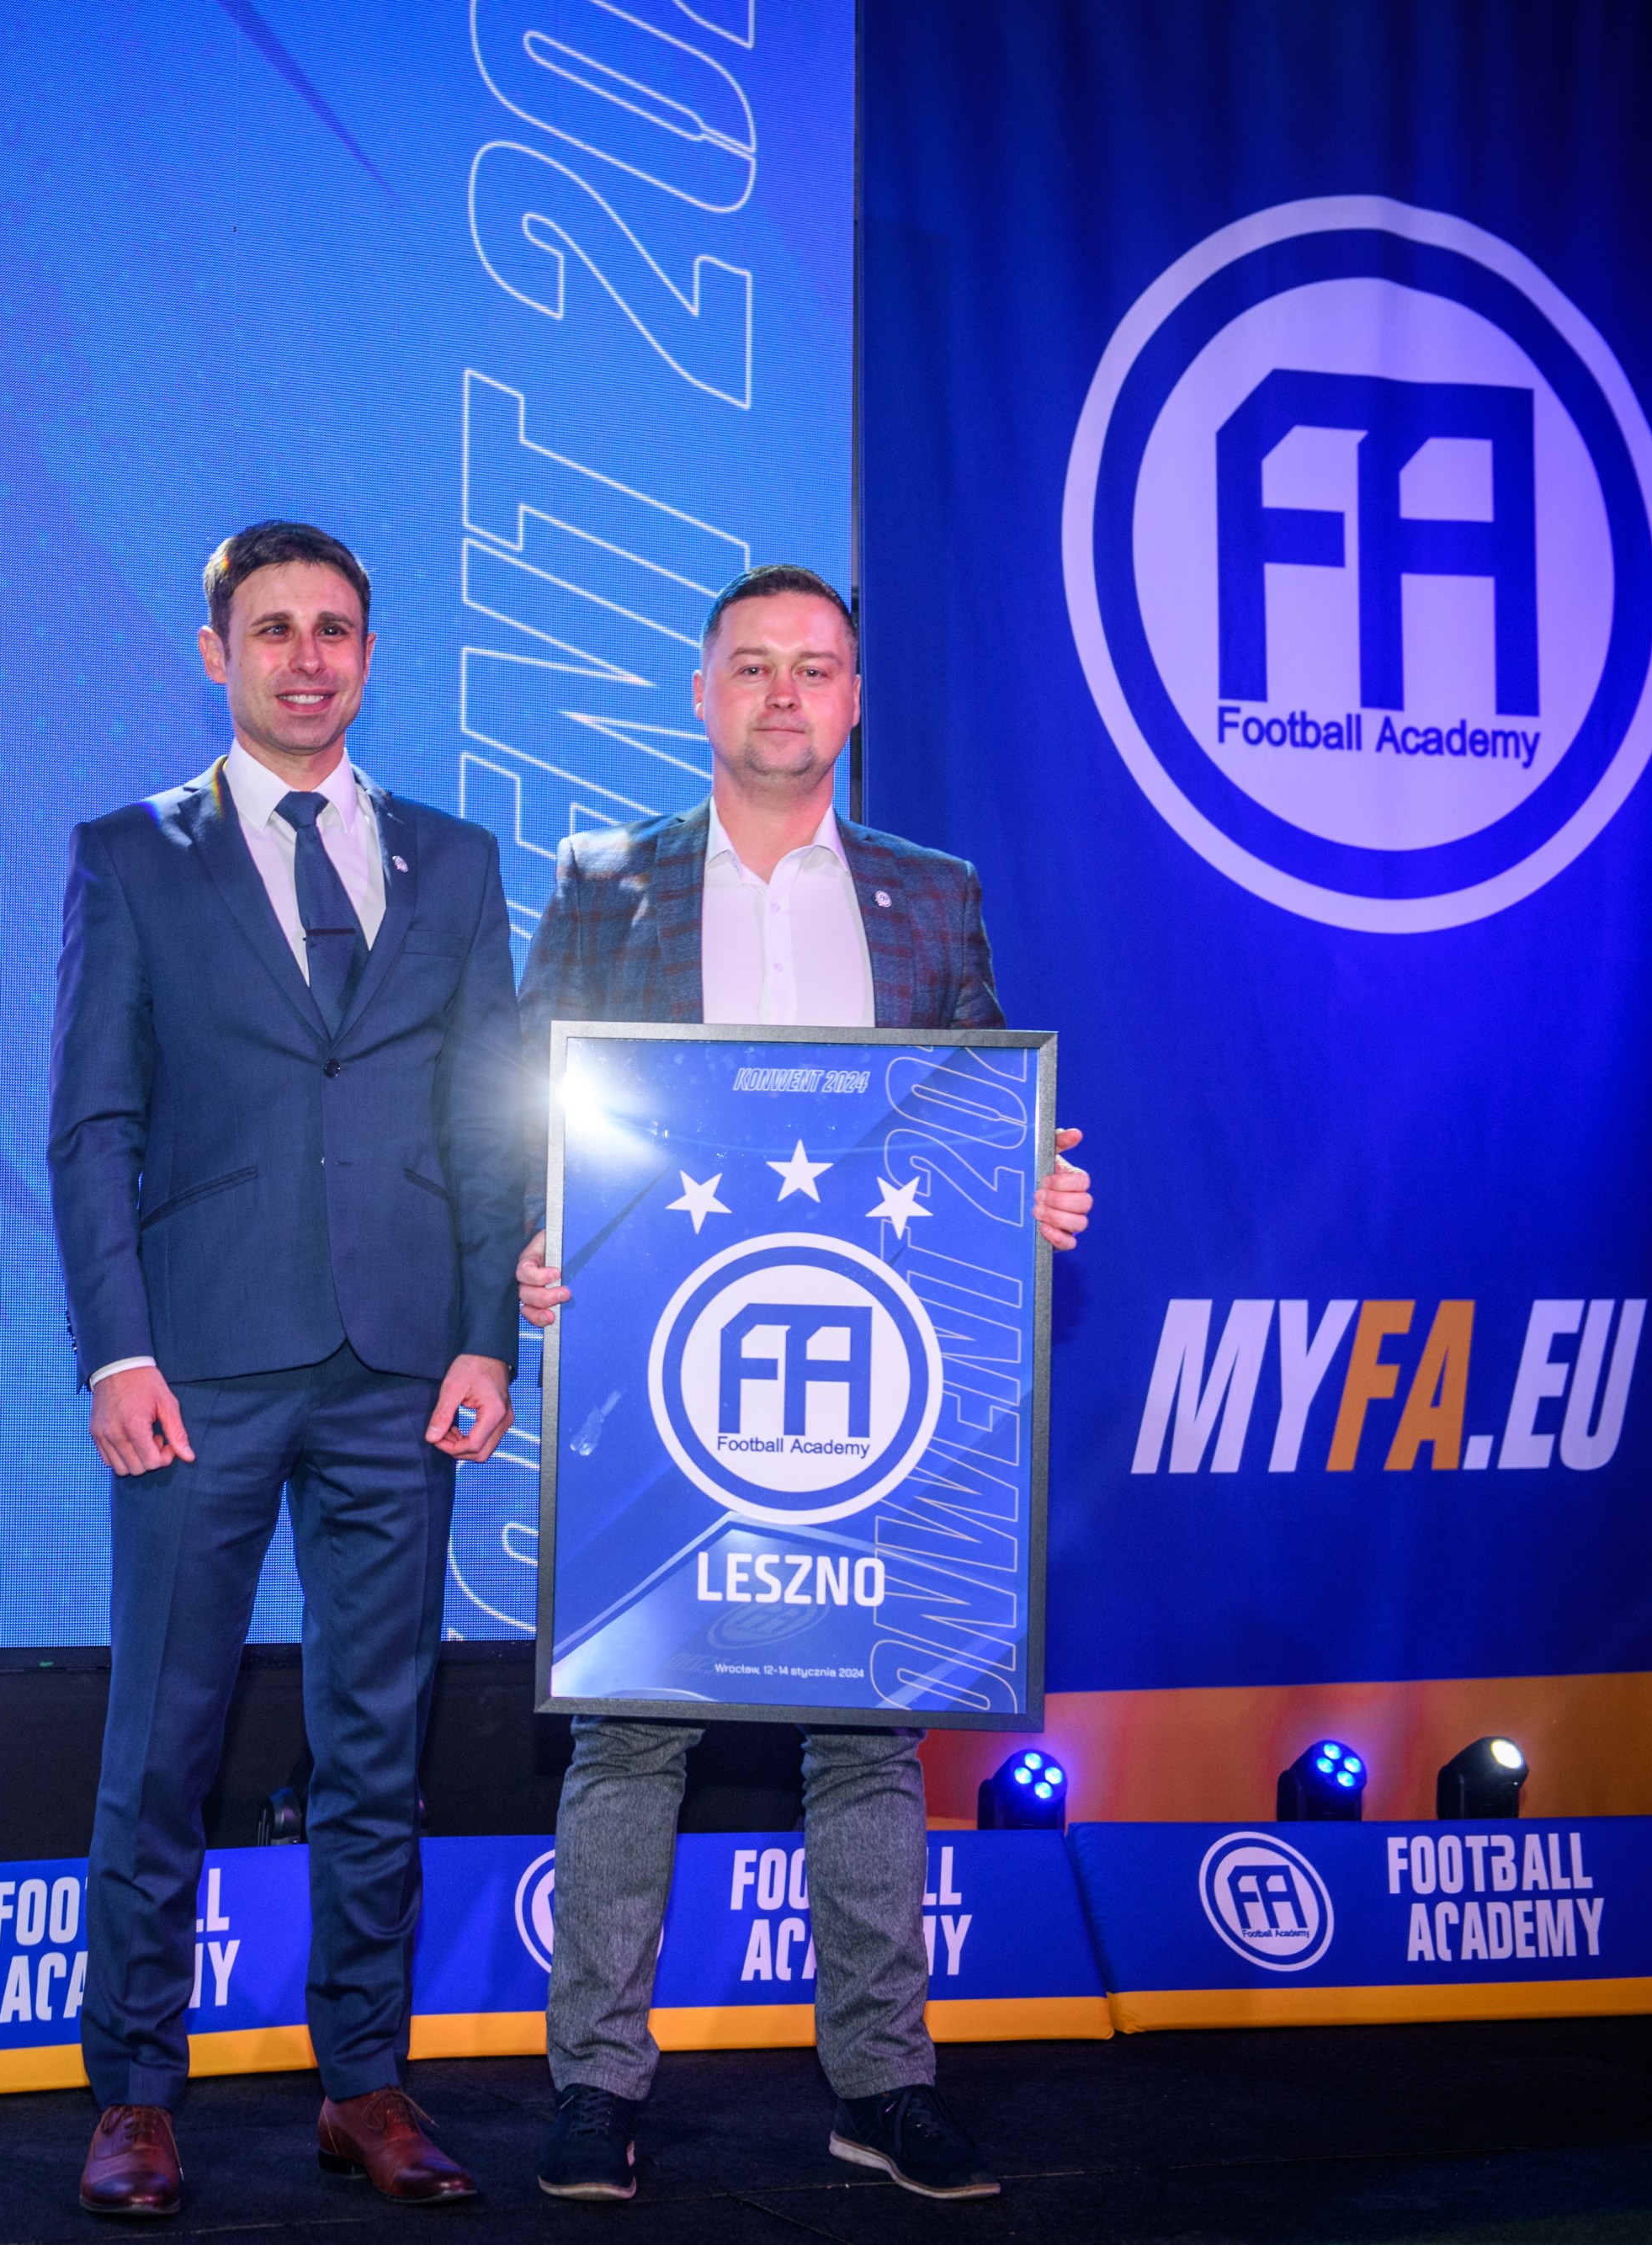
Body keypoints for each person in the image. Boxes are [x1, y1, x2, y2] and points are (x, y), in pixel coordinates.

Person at [513, 563, 1095, 2206]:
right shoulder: (605, 882)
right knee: (630, 1733)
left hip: (866, 1394)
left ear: (852, 701)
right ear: (701, 693)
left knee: (866, 1743)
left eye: (816, 667)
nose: (784, 691)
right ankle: (592, 2087)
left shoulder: (930, 897)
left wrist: (1031, 1190)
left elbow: (978, 1112)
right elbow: (525, 1104)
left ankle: (883, 2085)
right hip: (657, 1388)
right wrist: (528, 1243)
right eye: (753, 665)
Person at [48, 520, 527, 2219]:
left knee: (376, 1745)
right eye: (272, 630)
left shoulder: (455, 860)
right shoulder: (130, 855)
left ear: (367, 655)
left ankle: (365, 2082)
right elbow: (92, 1126)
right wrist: (116, 1350)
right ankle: (133, 2093)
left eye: (333, 630)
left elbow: (492, 1118)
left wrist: (488, 1335)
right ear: (216, 654)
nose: (305, 658)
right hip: (200, 1368)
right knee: (160, 1741)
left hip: (401, 1367)